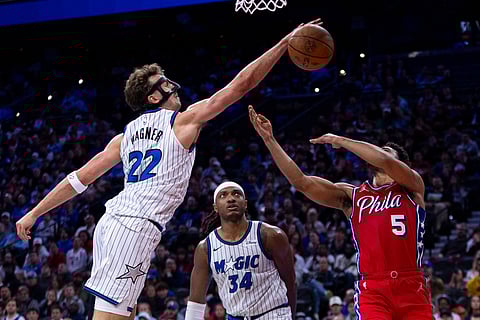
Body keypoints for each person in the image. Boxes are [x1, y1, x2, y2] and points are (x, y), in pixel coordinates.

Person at [15, 19, 322, 320]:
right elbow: (240, 86)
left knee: (122, 311)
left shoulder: (123, 137)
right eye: (163, 83)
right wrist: (283, 44)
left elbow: (77, 180)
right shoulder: (182, 122)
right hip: (134, 228)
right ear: (152, 97)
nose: (172, 86)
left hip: (117, 224)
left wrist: (35, 212)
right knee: (112, 317)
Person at [248, 106, 433, 319]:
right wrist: (270, 140)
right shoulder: (353, 196)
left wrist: (340, 140)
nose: (378, 154)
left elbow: (384, 160)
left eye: (385, 151)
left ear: (402, 164)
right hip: (373, 288)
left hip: (411, 285)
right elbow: (302, 182)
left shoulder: (412, 186)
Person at [185, 181, 296, 319]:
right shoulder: (205, 248)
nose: (231, 198)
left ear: (245, 203)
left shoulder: (270, 235)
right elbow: (196, 302)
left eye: (236, 194)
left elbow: (290, 282)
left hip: (273, 314)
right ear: (216, 207)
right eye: (223, 195)